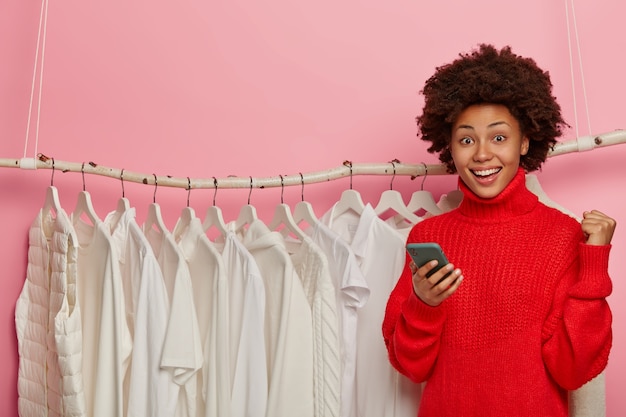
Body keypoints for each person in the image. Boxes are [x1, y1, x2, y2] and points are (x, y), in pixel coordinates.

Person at [382, 44, 616, 417]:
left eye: (499, 137)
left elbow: (573, 370)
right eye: (466, 139)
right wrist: (423, 305)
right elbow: (411, 367)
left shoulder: (564, 235)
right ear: (450, 148)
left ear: (525, 142)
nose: (481, 154)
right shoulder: (428, 237)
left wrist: (593, 265)